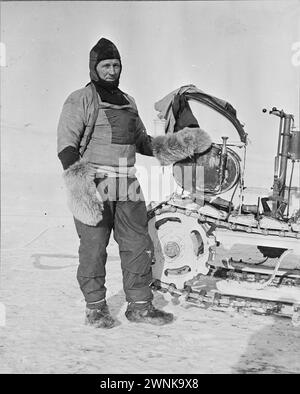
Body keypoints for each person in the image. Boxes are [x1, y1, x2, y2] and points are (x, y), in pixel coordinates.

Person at [57, 37, 211, 328]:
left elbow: (142, 141)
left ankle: (140, 306)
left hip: (127, 183)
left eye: (116, 65)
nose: (112, 71)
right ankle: (95, 309)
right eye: (106, 65)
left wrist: (183, 144)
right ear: (94, 67)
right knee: (93, 248)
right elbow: (66, 146)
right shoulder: (81, 99)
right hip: (95, 184)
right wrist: (81, 189)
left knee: (138, 245)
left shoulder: (128, 101)